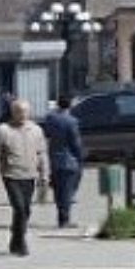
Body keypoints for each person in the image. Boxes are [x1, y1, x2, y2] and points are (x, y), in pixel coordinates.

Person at [0, 98, 49, 257]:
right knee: (20, 208)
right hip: (11, 174)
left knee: (26, 211)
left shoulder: (36, 130)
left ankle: (15, 237)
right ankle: (21, 244)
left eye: (25, 111)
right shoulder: (3, 130)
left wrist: (44, 175)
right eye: (19, 111)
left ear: (29, 112)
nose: (22, 114)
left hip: (30, 175)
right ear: (13, 112)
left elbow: (42, 154)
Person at [42, 94, 85, 229]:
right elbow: (75, 143)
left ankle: (61, 216)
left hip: (54, 159)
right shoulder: (71, 121)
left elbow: (47, 135)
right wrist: (81, 156)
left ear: (58, 104)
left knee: (58, 190)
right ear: (71, 104)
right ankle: (64, 220)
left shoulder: (50, 119)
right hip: (69, 160)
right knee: (68, 190)